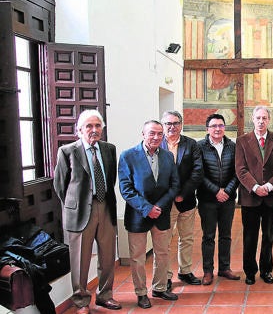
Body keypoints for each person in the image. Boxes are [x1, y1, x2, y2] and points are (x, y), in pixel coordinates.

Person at [53, 110, 121, 313]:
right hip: (81, 211)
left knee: (108, 256)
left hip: (106, 207)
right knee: (80, 259)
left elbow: (111, 179)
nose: (94, 130)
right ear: (79, 130)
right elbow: (60, 185)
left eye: (98, 126)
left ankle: (105, 295)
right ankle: (81, 301)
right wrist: (74, 205)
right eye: (89, 126)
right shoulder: (67, 151)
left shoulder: (109, 149)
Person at [118, 120, 180, 309]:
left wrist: (159, 206)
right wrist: (146, 208)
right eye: (151, 133)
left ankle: (160, 287)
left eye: (159, 134)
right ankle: (141, 293)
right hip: (138, 214)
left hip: (161, 213)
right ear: (143, 134)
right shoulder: (128, 156)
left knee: (162, 253)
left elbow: (174, 185)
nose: (155, 137)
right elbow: (125, 188)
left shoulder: (168, 156)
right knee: (137, 257)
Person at [235, 106, 273, 285]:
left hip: (272, 197)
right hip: (251, 197)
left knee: (268, 236)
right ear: (252, 119)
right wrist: (256, 186)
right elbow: (240, 169)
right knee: (249, 237)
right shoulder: (242, 141)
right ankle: (250, 271)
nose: (261, 121)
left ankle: (266, 270)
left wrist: (269, 185)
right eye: (258, 118)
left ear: (269, 119)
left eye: (264, 118)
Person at [160, 110, 203, 290]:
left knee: (186, 238)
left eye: (176, 123)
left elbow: (197, 171)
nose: (172, 127)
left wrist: (182, 193)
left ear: (181, 124)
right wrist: (170, 195)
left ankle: (185, 271)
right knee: (165, 241)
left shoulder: (191, 144)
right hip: (164, 203)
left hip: (186, 201)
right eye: (168, 123)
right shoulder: (156, 143)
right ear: (163, 125)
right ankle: (166, 276)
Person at [196, 113, 241, 285]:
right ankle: (208, 271)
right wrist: (216, 191)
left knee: (226, 235)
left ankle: (224, 268)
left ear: (224, 127)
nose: (217, 129)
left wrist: (227, 191)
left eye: (221, 125)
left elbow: (238, 172)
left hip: (228, 199)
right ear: (207, 129)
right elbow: (198, 173)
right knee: (208, 236)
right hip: (207, 199)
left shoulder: (232, 146)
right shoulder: (199, 146)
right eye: (214, 126)